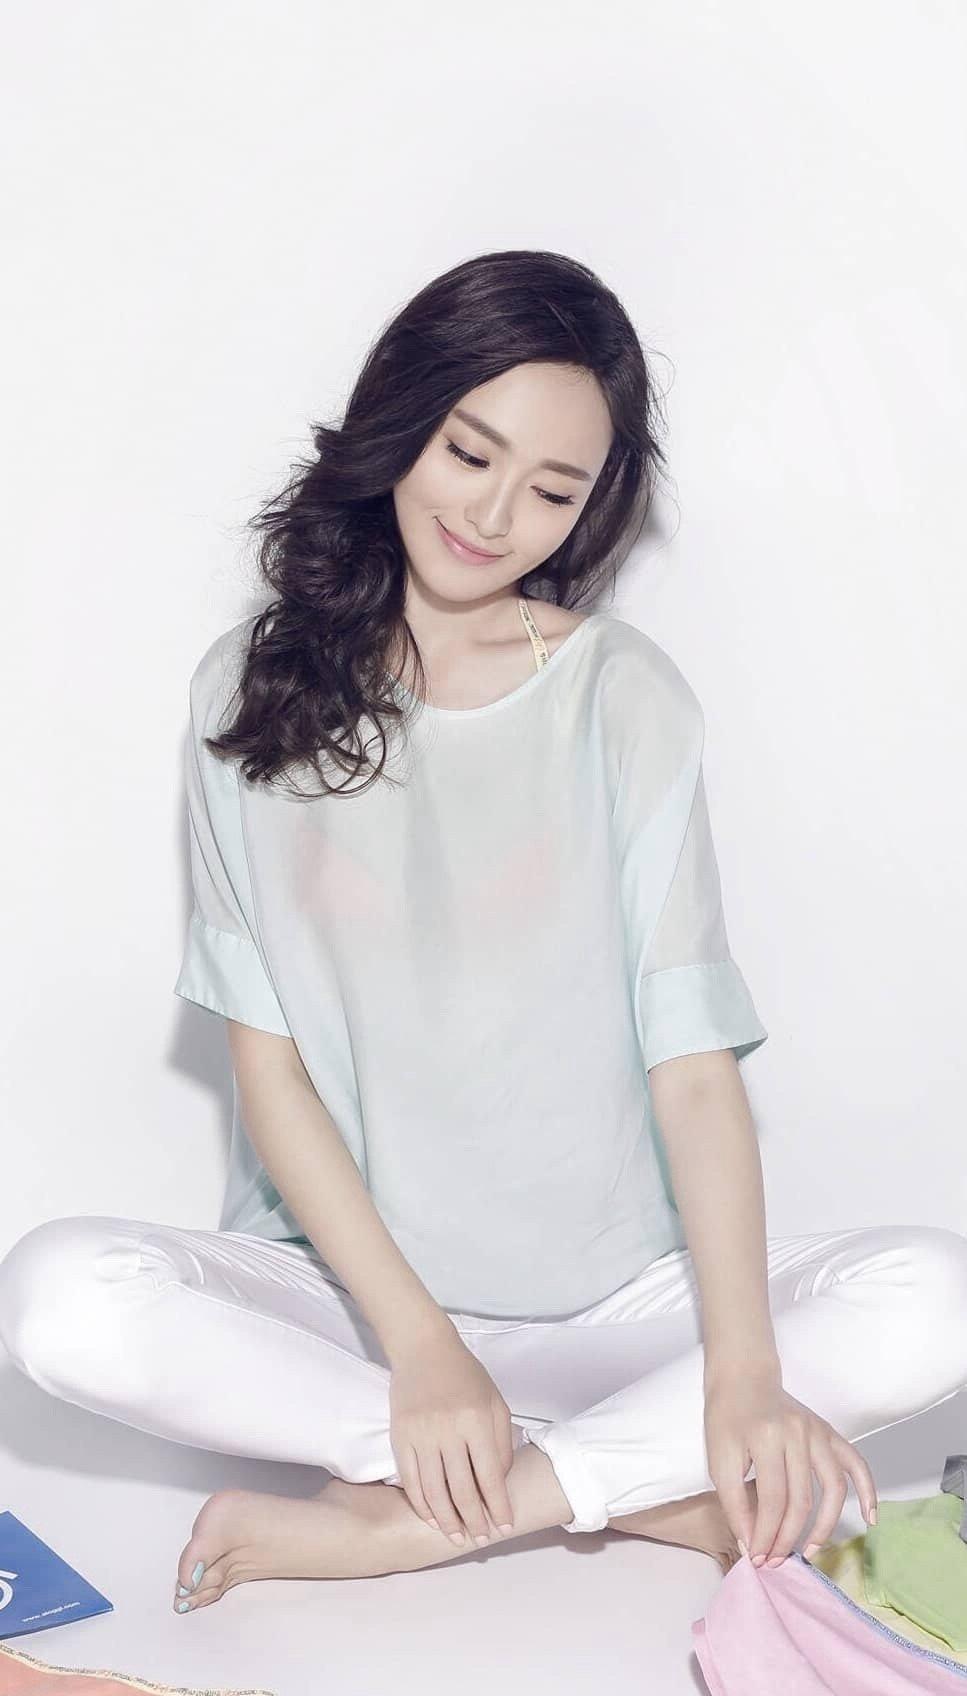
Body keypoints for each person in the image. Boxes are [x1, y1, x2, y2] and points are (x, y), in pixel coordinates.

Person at [2, 250, 965, 1620]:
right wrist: (421, 1348)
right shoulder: (250, 695)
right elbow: (271, 1076)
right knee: (59, 1301)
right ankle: (629, 1481)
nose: (496, 515)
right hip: (354, 1309)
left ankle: (448, 1513)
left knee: (939, 1297)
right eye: (470, 453)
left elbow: (693, 1069)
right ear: (403, 421)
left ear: (592, 508)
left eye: (554, 492)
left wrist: (746, 1376)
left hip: (618, 1305)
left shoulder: (623, 698)